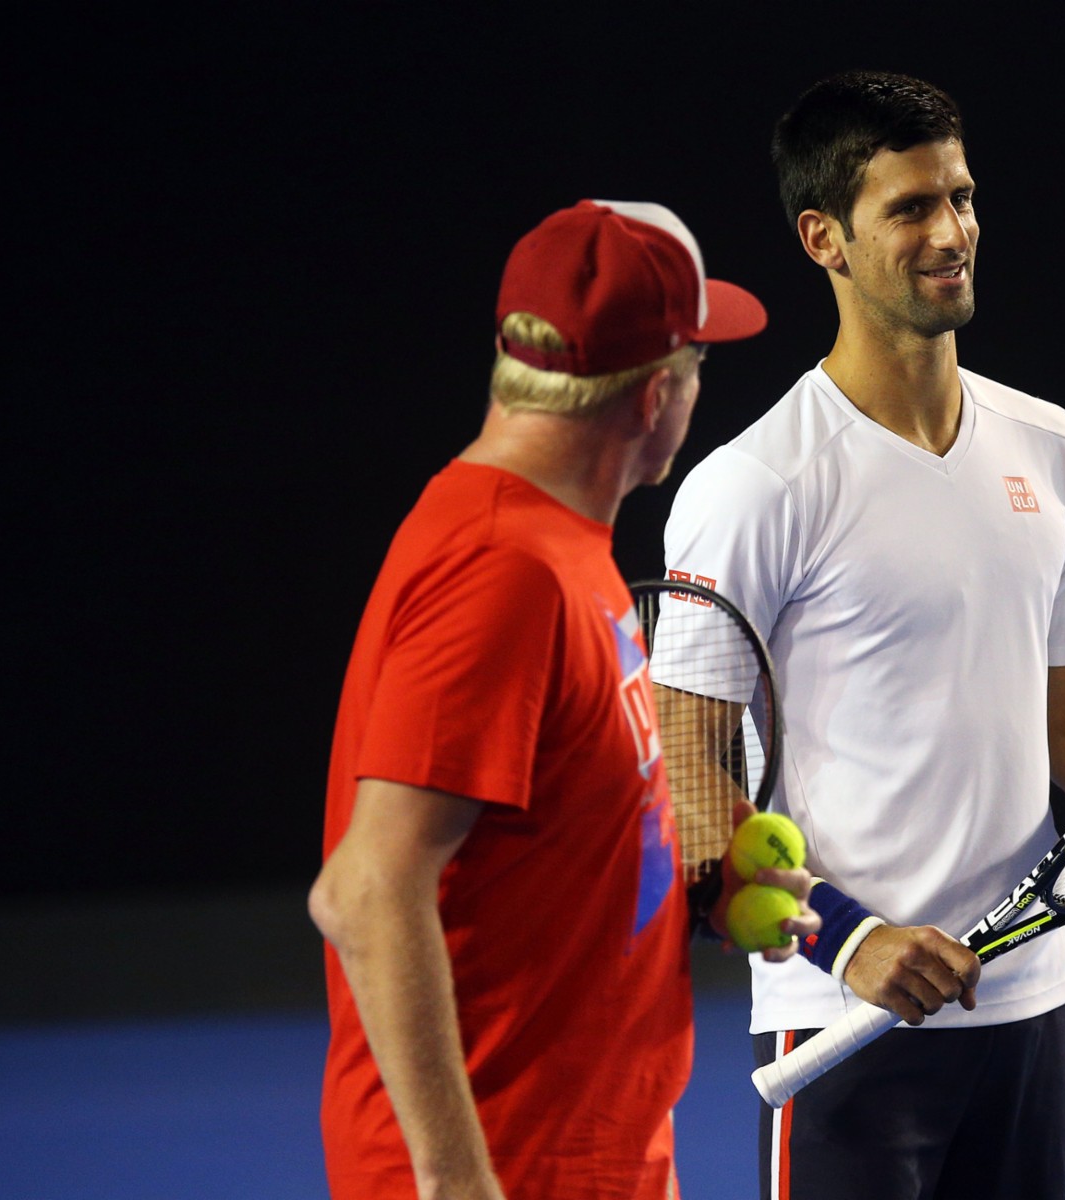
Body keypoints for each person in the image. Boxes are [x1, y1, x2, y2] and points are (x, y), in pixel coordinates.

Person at [660, 72, 1065, 1200]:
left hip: (1028, 1012)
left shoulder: (1046, 444)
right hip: (839, 1017)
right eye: (910, 208)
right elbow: (685, 773)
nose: (952, 233)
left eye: (962, 197)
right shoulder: (749, 486)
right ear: (825, 241)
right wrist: (851, 941)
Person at [309, 198, 819, 1200]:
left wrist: (700, 892)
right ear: (653, 397)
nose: (699, 388)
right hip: (509, 1164)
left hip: (594, 1149)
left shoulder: (558, 547)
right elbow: (364, 891)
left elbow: (558, 827)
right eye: (698, 363)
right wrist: (460, 1183)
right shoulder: (502, 570)